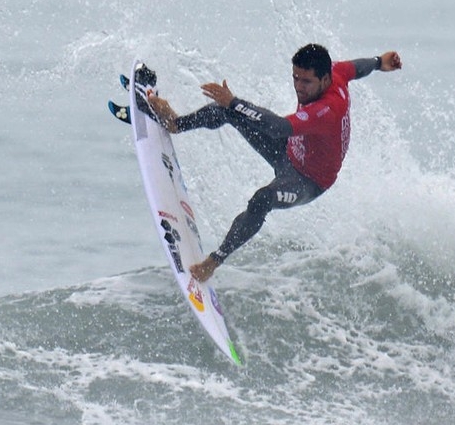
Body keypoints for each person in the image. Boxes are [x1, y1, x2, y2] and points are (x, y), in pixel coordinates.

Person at [147, 43, 402, 282]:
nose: (299, 86)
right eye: (295, 78)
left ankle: (214, 262)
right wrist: (380, 62)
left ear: (325, 80)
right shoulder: (335, 71)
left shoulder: (328, 109)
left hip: (307, 181)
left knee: (262, 200)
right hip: (289, 152)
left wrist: (235, 102)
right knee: (226, 111)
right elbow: (357, 68)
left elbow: (279, 127)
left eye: (306, 81)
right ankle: (175, 124)